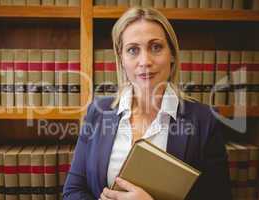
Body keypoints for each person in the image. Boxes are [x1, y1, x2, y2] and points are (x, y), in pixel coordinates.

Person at [63, 7, 232, 200]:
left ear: (173, 55)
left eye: (156, 47)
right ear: (121, 59)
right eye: (133, 50)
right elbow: (73, 191)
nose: (145, 61)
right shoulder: (98, 111)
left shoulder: (205, 120)